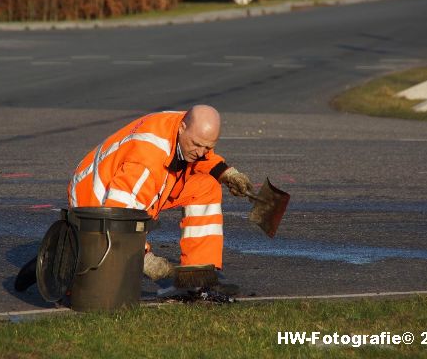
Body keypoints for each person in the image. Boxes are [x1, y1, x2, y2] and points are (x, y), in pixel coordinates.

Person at [15, 105, 253, 292]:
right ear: (182, 128)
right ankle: (57, 259)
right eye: (197, 145)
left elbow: (201, 150)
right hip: (97, 201)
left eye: (207, 147)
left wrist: (225, 172)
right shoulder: (146, 162)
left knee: (207, 186)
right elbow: (121, 215)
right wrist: (145, 258)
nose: (201, 153)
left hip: (134, 188)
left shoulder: (182, 124)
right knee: (98, 277)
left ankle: (199, 281)